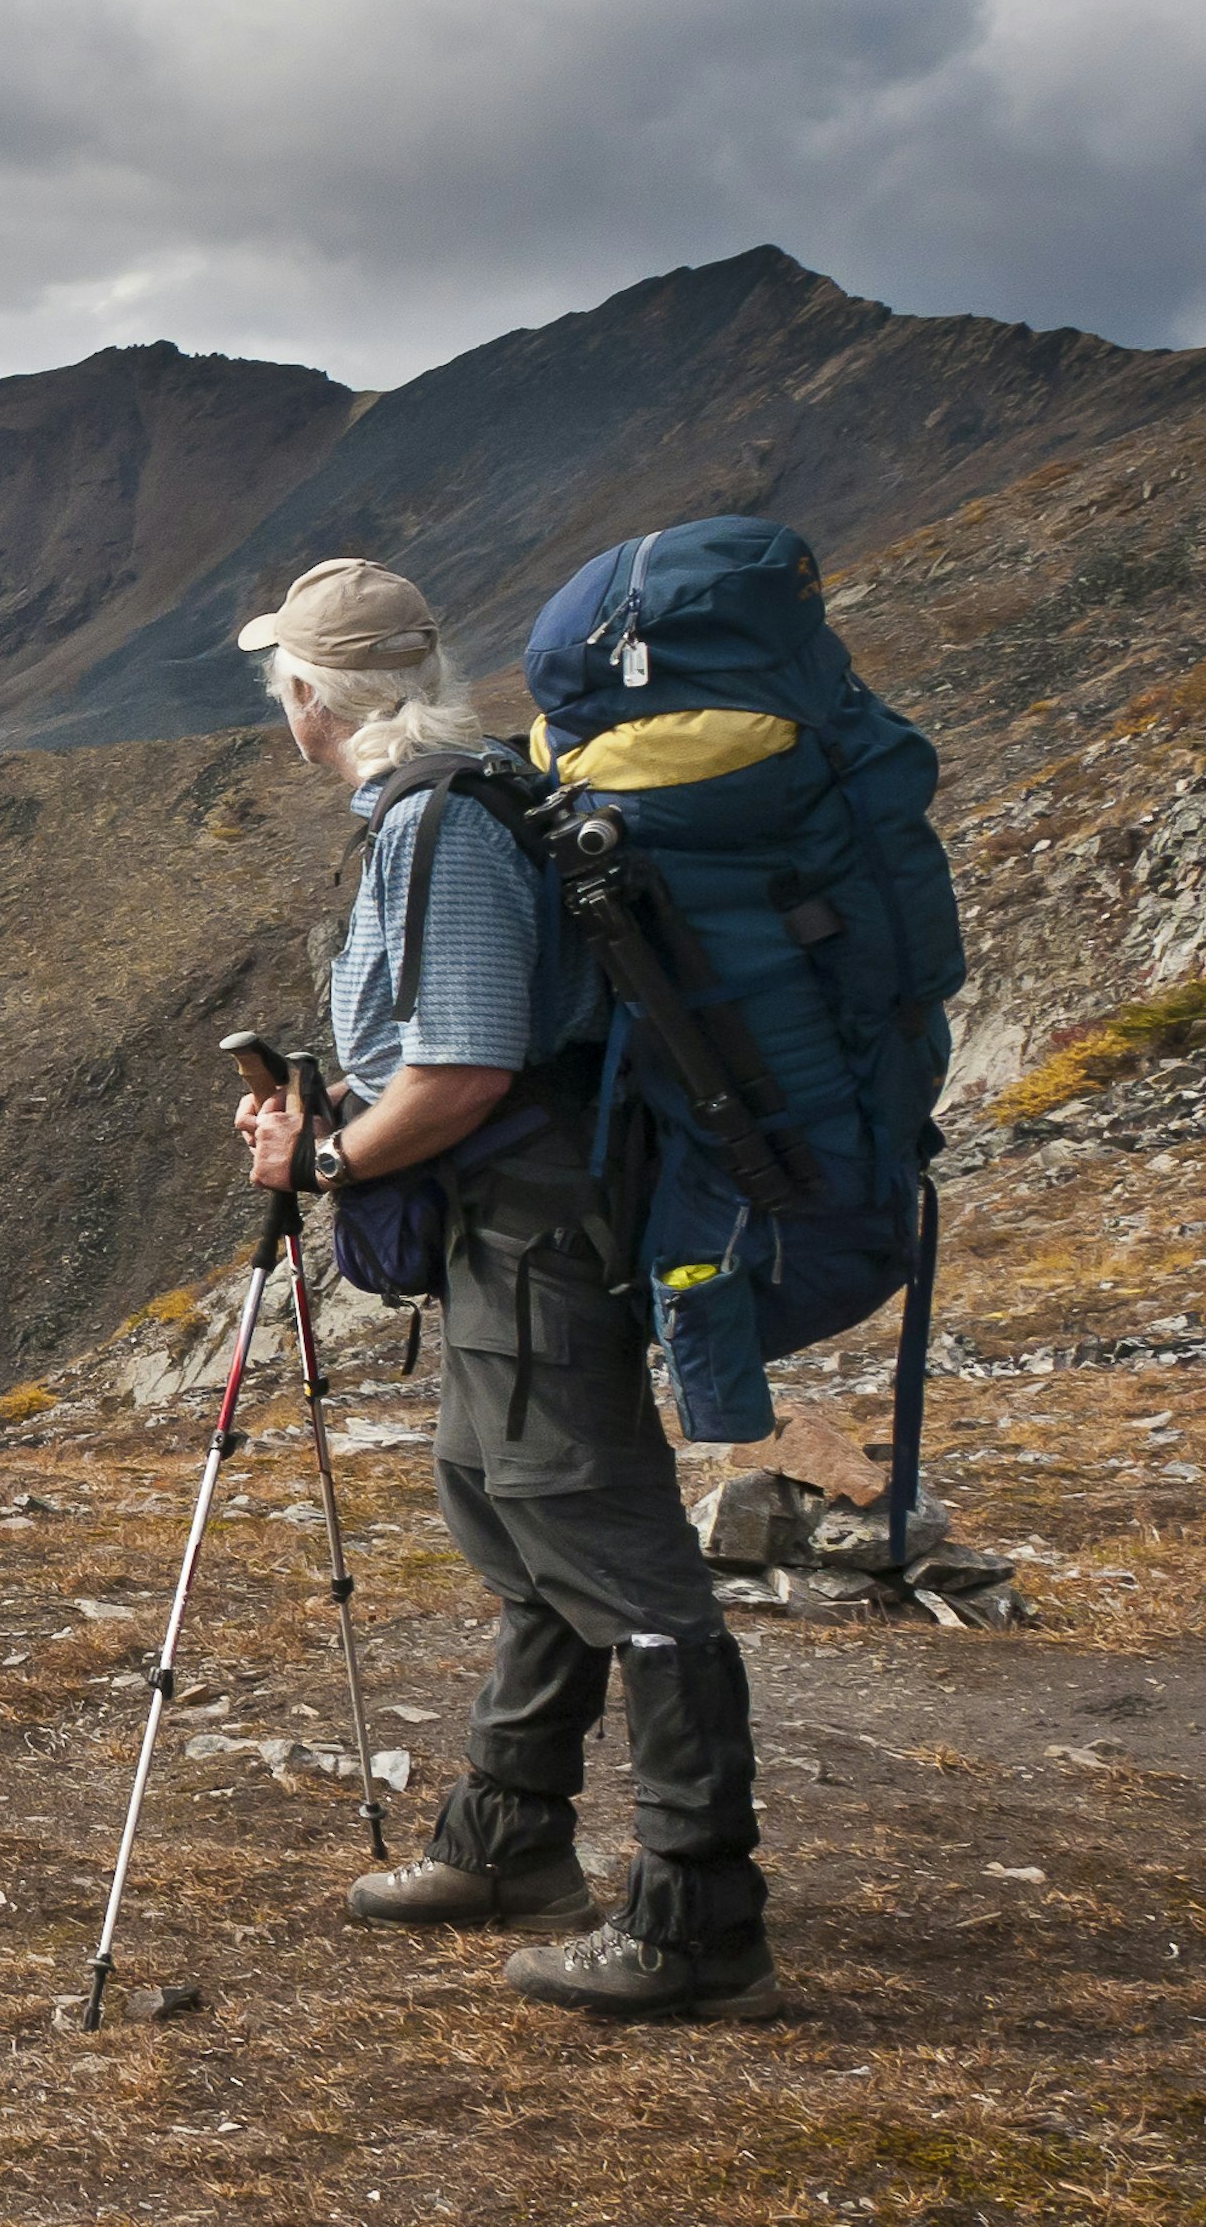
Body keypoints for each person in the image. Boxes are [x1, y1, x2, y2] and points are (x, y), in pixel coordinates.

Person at [231, 557, 776, 2024]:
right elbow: (458, 1048)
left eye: (283, 678)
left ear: (314, 698)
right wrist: (336, 1108)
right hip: (507, 1221)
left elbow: (468, 1067)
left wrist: (329, 1158)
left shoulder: (444, 828)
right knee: (508, 1497)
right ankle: (512, 1841)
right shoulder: (451, 804)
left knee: (604, 1531)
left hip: (537, 1228)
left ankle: (699, 1915)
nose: (279, 700)